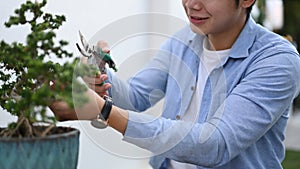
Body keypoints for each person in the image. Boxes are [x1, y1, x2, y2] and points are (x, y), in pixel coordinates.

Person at [51, 0, 300, 168]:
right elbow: (136, 96)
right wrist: (99, 72)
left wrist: (105, 111)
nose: (191, 4)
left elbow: (215, 143)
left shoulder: (277, 60)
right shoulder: (185, 39)